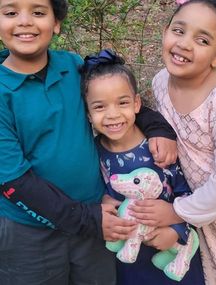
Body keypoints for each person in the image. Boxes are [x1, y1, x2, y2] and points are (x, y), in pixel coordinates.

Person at [0, 0, 178, 284]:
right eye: (10, 12)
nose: (24, 21)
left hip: (97, 218)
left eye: (38, 12)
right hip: (30, 233)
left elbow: (115, 101)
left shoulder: (71, 66)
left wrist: (158, 128)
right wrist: (88, 218)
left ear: (56, 23)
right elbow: (13, 180)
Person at [129, 0, 216, 284]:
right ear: (165, 32)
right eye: (179, 31)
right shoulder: (161, 81)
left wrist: (176, 211)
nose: (185, 44)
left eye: (202, 40)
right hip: (190, 207)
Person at [80, 48, 205, 285]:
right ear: (87, 113)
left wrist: (176, 231)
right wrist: (103, 201)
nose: (112, 115)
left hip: (172, 253)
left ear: (137, 103)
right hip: (128, 258)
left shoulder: (159, 147)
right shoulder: (94, 151)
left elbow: (188, 194)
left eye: (122, 102)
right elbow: (96, 190)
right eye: (99, 107)